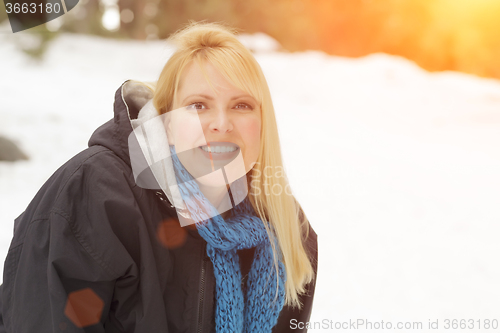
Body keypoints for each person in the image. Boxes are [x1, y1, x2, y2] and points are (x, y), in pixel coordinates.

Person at [0, 21, 318, 332]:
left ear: (262, 125)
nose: (222, 123)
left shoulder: (286, 233)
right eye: (198, 105)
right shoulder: (95, 197)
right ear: (167, 123)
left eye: (241, 105)